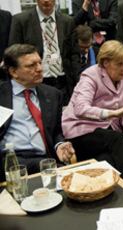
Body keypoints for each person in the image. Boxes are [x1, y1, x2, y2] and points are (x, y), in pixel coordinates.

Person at [61, 40, 123, 188]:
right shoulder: (90, 76)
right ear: (105, 63)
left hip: (106, 133)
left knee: (106, 160)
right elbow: (80, 108)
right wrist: (110, 113)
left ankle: (119, 198)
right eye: (119, 64)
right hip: (81, 131)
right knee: (117, 139)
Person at [0, 44, 75, 181]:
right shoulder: (2, 96)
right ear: (13, 71)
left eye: (40, 63)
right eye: (31, 66)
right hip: (10, 160)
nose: (40, 69)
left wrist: (60, 145)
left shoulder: (53, 94)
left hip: (44, 158)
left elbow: (56, 131)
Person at [8, 0, 78, 103]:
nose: (46, 1)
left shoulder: (67, 21)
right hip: (35, 81)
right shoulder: (21, 20)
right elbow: (13, 54)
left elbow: (73, 53)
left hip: (63, 81)